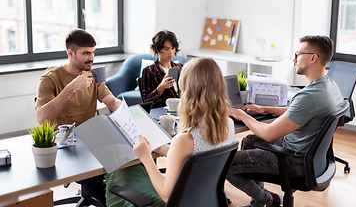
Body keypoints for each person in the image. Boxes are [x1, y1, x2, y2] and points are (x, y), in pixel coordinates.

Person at [226, 35, 343, 207]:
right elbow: (301, 111)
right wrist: (266, 109)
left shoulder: (310, 96)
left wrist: (242, 115)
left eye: (298, 54)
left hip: (294, 162)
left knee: (225, 163)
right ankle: (258, 202)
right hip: (309, 155)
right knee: (249, 142)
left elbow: (267, 133)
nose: (294, 59)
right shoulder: (329, 86)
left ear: (313, 58)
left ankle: (265, 198)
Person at [105, 57, 235, 206]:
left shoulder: (185, 140)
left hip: (175, 201)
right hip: (202, 199)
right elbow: (195, 152)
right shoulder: (228, 125)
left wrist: (146, 156)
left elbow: (168, 196)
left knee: (119, 173)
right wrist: (157, 146)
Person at [35, 29, 122, 207]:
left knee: (127, 164)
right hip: (65, 143)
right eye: (86, 53)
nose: (91, 58)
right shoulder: (49, 79)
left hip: (92, 139)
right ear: (70, 53)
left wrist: (134, 112)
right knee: (95, 179)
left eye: (93, 52)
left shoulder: (94, 74)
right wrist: (70, 88)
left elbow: (112, 102)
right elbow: (42, 118)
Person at [140, 30, 183, 108]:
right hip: (161, 112)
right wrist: (161, 87)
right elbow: (146, 101)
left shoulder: (180, 68)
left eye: (173, 48)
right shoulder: (149, 71)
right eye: (166, 49)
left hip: (181, 110)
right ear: (157, 49)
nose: (171, 52)